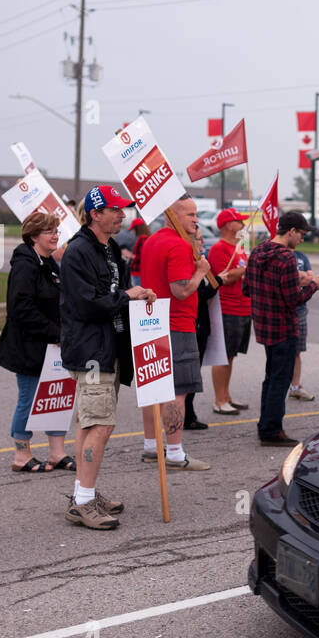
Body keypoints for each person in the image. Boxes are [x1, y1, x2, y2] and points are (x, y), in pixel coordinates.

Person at [58, 185, 156, 529]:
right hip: (90, 351)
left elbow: (117, 292)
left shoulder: (111, 247)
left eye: (123, 209)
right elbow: (85, 304)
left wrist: (138, 294)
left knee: (93, 423)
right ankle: (82, 501)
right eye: (115, 210)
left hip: (108, 347)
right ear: (95, 214)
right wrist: (125, 296)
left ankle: (84, 493)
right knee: (100, 423)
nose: (122, 215)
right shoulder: (78, 252)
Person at [0, 212, 73, 473]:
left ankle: (57, 452)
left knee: (58, 396)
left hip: (53, 348)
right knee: (28, 398)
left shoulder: (49, 262)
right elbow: (21, 308)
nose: (55, 235)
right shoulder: (25, 264)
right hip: (28, 347)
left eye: (56, 230)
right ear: (33, 235)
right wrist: (55, 332)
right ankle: (21, 454)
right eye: (49, 231)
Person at [138, 196, 211, 471]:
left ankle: (150, 445)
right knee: (177, 391)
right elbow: (181, 289)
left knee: (152, 390)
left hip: (151, 323)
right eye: (189, 214)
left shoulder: (153, 240)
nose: (195, 219)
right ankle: (176, 452)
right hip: (176, 324)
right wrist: (200, 272)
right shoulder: (178, 244)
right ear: (171, 215)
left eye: (196, 213)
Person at [243, 210, 319, 446]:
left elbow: (246, 289)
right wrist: (314, 285)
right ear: (291, 231)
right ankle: (271, 430)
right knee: (280, 380)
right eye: (301, 234)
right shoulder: (286, 258)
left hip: (264, 327)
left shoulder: (258, 251)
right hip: (284, 327)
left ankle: (265, 425)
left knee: (271, 378)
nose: (302, 239)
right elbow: (294, 300)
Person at [207, 208, 252, 415]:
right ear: (227, 225)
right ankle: (219, 399)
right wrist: (245, 268)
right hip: (227, 308)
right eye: (238, 221)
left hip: (243, 307)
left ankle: (227, 395)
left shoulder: (239, 247)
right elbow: (223, 277)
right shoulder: (219, 248)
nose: (242, 224)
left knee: (232, 355)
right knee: (223, 356)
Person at [184, 225, 220, 430]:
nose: (203, 242)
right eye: (198, 239)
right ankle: (187, 415)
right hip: (193, 324)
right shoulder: (190, 265)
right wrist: (219, 281)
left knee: (194, 373)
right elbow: (194, 295)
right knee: (189, 373)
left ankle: (189, 413)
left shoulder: (199, 263)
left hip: (201, 324)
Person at [289, 247, 316, 401]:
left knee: (297, 351)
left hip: (301, 310)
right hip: (285, 311)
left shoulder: (301, 256)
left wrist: (303, 277)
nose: (302, 239)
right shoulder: (279, 255)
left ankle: (295, 386)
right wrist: (301, 276)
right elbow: (296, 280)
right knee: (282, 352)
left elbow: (308, 280)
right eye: (300, 233)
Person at [124, 218, 150, 287]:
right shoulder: (147, 238)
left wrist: (129, 255)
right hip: (142, 273)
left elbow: (142, 257)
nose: (133, 232)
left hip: (138, 272)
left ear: (137, 229)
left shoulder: (142, 239)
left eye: (133, 229)